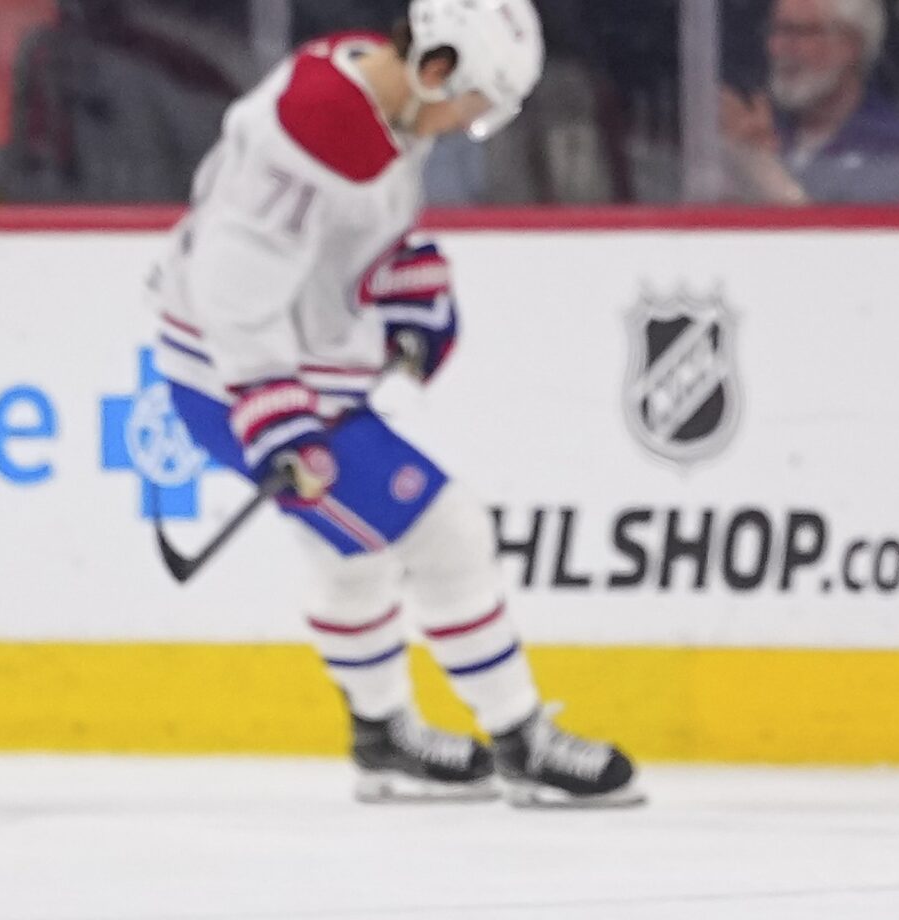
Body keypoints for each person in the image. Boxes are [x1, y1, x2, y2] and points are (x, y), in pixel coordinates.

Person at [145, 0, 643, 808]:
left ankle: (381, 739)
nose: (465, 124)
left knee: (353, 554)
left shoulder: (375, 85)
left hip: (292, 374)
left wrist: (398, 279)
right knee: (447, 533)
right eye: (472, 105)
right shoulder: (306, 144)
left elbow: (346, 233)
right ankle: (521, 739)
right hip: (237, 384)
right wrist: (279, 425)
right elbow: (232, 298)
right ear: (437, 66)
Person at [719, 0, 899, 204]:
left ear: (850, 45)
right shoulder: (763, 129)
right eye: (775, 31)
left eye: (797, 32)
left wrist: (762, 168)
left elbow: (854, 239)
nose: (777, 47)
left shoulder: (898, 147)